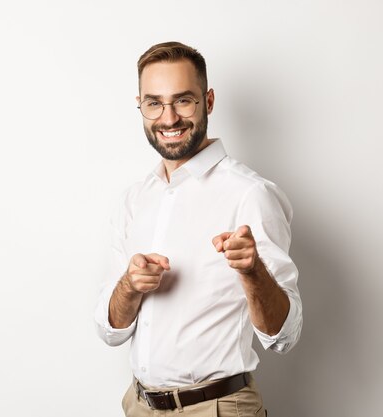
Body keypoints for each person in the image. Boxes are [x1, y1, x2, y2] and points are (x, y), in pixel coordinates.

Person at [94, 41, 302, 417]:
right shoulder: (135, 199)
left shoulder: (251, 194)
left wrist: (252, 272)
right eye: (154, 103)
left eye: (183, 101)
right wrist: (129, 285)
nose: (169, 118)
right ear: (140, 106)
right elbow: (112, 330)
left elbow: (283, 337)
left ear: (208, 101)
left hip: (218, 409)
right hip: (139, 406)